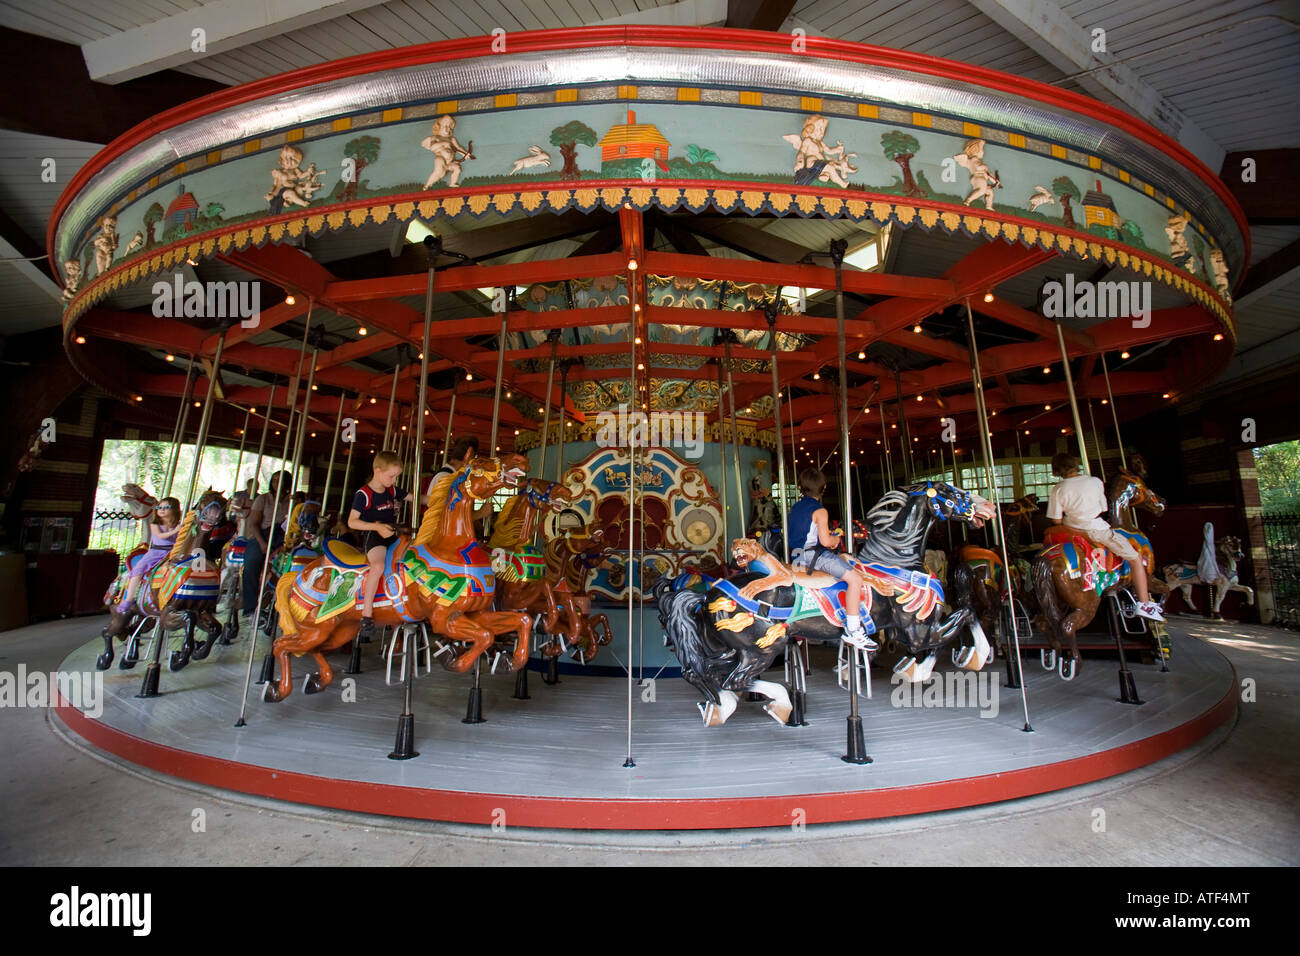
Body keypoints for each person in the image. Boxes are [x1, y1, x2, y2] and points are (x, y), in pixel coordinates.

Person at [1046, 453, 1164, 621]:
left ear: (1057, 469)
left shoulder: (1058, 489)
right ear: (1075, 465)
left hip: (1071, 531)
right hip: (1096, 530)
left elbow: (1055, 520)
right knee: (1135, 558)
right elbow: (1102, 508)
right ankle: (1144, 604)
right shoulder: (1094, 482)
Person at [785, 467, 876, 650]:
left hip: (796, 557)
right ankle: (854, 630)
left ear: (801, 487)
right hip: (813, 557)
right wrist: (835, 539)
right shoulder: (820, 511)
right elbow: (826, 541)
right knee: (856, 579)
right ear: (823, 487)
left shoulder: (795, 508)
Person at [349, 451, 415, 642]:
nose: (394, 480)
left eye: (396, 476)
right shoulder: (364, 494)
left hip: (393, 535)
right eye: (391, 476)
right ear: (377, 471)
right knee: (378, 566)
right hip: (374, 537)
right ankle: (367, 615)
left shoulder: (392, 490)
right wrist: (376, 526)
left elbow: (417, 498)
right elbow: (352, 521)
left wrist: (442, 497)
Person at [241, 470, 293, 616]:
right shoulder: (263, 499)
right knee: (252, 563)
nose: (277, 483)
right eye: (274, 480)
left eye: (280, 480)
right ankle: (250, 606)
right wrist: (262, 543)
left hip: (283, 536)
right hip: (262, 534)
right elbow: (254, 523)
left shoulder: (292, 501)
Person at [119, 497, 180, 610]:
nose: (162, 510)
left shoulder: (177, 524)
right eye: (159, 507)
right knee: (138, 570)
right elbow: (160, 536)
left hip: (172, 552)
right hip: (156, 552)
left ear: (174, 509)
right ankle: (129, 599)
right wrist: (175, 531)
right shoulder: (155, 524)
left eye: (166, 507)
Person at [425, 436, 492, 522]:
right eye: (474, 458)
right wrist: (479, 514)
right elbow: (445, 517)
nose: (474, 463)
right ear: (468, 455)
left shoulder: (454, 476)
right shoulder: (446, 477)